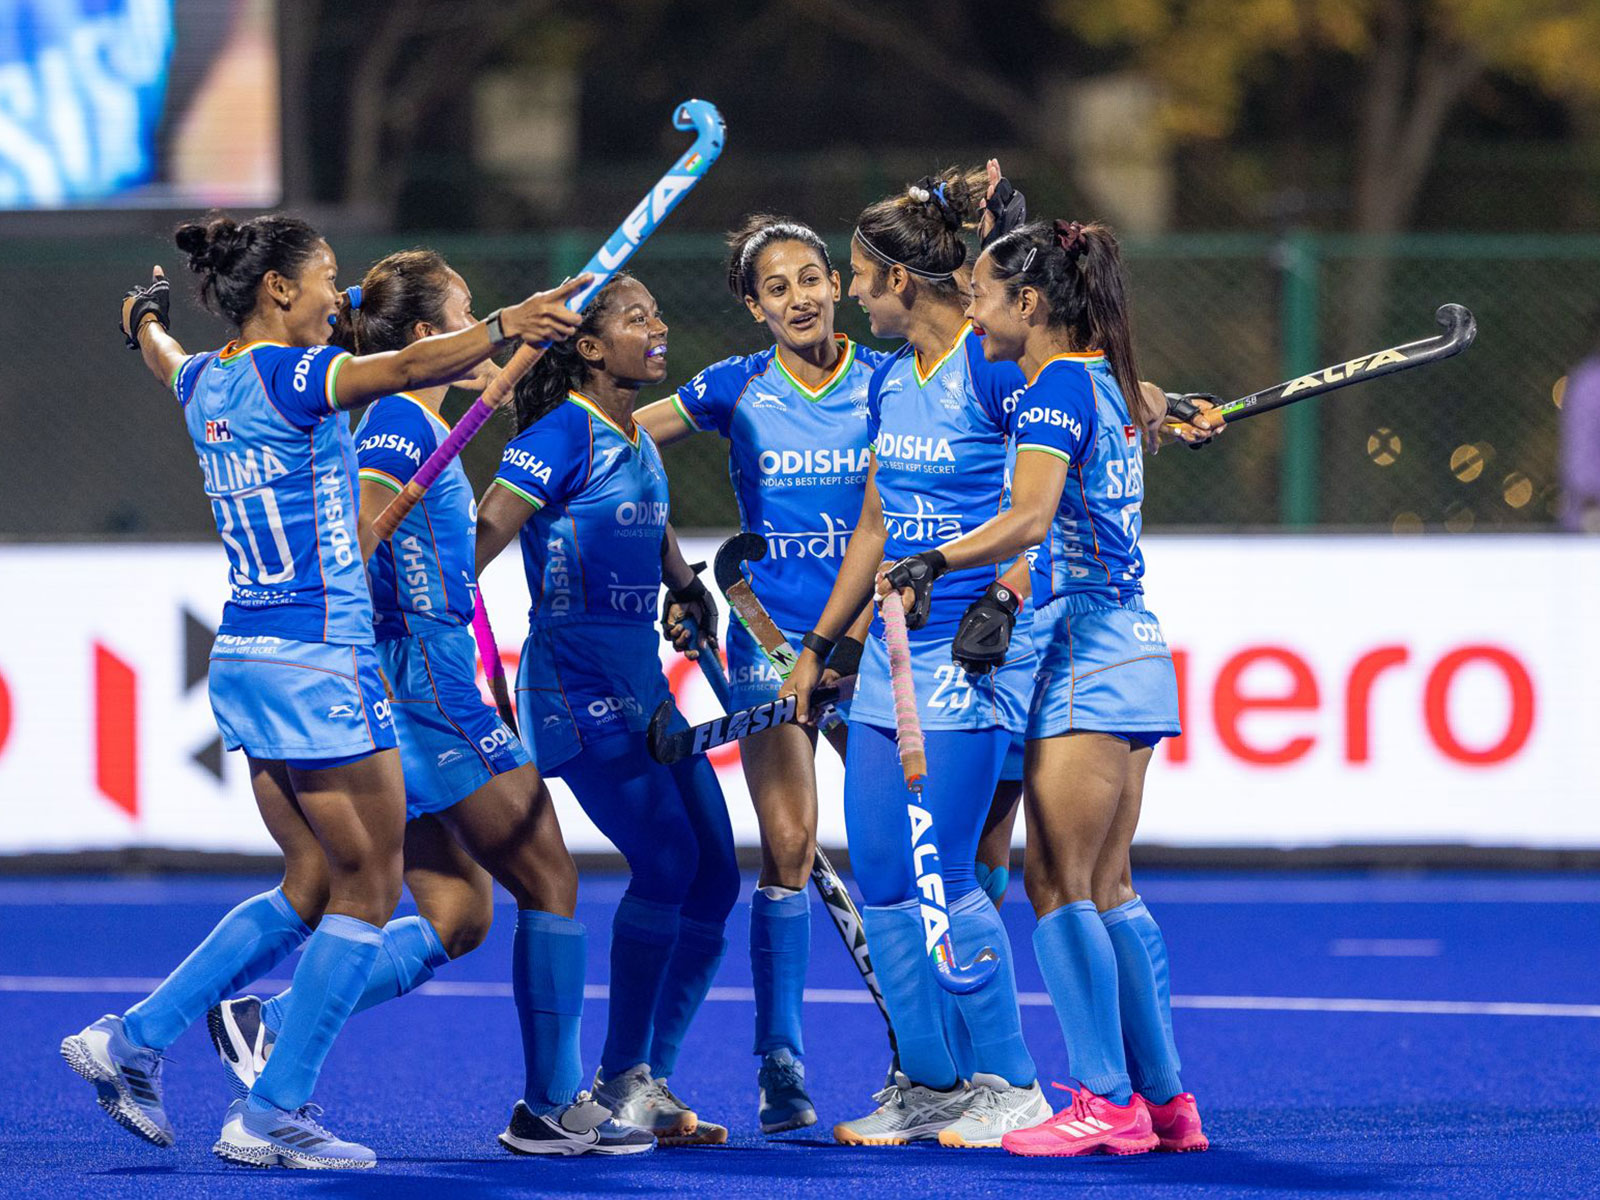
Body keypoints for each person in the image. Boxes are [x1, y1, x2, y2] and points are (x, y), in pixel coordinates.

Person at [63, 213, 588, 1169]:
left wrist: (143, 321)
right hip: (321, 662)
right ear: (278, 292)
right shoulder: (292, 376)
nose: (335, 294)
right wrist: (510, 320)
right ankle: (270, 1115)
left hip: (247, 660)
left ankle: (132, 1040)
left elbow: (166, 357)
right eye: (325, 278)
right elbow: (389, 370)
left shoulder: (207, 380)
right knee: (371, 887)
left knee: (312, 881)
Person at [204, 249, 651, 1156]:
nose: (482, 324)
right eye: (467, 310)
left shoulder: (409, 425)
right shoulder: (402, 426)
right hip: (425, 691)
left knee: (460, 916)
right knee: (552, 881)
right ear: (425, 336)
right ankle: (551, 1106)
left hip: (425, 684)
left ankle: (275, 1025)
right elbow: (356, 542)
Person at [879, 218, 1217, 1157]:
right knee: (1109, 886)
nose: (973, 309)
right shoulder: (1106, 373)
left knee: (1058, 882)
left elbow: (1028, 516)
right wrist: (1169, 400)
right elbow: (1126, 409)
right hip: (1133, 650)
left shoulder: (1058, 385)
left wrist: (928, 561)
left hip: (1083, 657)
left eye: (984, 293)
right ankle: (1165, 1104)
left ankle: (1103, 1104)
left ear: (1030, 303)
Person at [780, 168, 1049, 1149]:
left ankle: (1012, 1084)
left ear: (902, 279)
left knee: (951, 878)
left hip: (968, 654)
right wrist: (823, 647)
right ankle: (931, 1084)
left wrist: (1008, 595)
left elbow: (1041, 502)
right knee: (886, 876)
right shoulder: (893, 380)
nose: (848, 295)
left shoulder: (991, 364)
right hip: (889, 655)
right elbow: (874, 528)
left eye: (858, 276)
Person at [635, 214, 889, 1133]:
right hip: (767, 644)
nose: (801, 298)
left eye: (813, 278)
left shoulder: (891, 378)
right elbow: (619, 438)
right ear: (752, 306)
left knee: (897, 856)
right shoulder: (737, 384)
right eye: (777, 288)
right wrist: (668, 567)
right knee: (787, 852)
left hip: (871, 638)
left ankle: (936, 1061)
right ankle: (781, 1063)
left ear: (835, 281)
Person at [475, 273, 741, 1146]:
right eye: (636, 319)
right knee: (665, 861)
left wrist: (683, 587)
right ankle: (618, 1079)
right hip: (573, 688)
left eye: (659, 312)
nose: (658, 327)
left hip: (643, 685)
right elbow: (485, 529)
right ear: (587, 348)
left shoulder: (637, 436)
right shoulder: (558, 435)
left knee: (716, 874)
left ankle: (644, 1078)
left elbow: (653, 531)